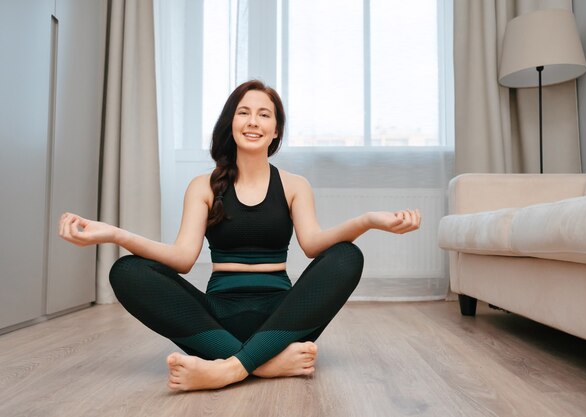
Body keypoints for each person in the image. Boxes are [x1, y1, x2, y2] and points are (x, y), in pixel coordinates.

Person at [58, 80, 421, 391]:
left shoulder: (295, 185)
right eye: (244, 112)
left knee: (347, 256)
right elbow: (182, 258)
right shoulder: (203, 185)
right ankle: (264, 364)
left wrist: (369, 220)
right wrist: (115, 234)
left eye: (265, 114)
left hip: (282, 317)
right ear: (231, 123)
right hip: (218, 316)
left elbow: (313, 245)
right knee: (126, 271)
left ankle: (227, 368)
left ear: (276, 130)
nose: (253, 121)